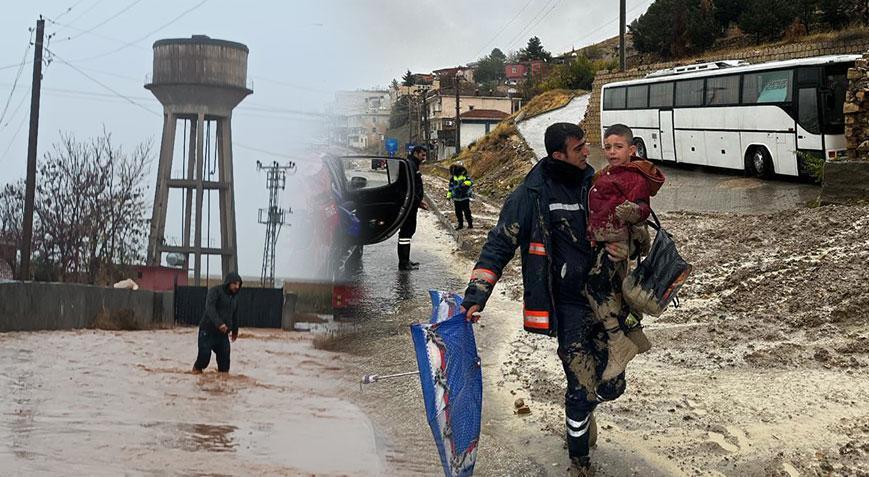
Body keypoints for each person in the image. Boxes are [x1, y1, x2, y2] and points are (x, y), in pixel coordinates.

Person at [460, 123, 632, 475]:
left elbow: (632, 223)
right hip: (567, 307)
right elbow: (499, 243)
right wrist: (477, 294)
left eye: (587, 145)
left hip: (607, 300)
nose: (588, 151)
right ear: (558, 155)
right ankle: (579, 458)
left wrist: (626, 240)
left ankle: (584, 409)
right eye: (579, 147)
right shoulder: (531, 193)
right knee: (579, 385)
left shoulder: (596, 183)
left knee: (613, 385)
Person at [585, 124, 664, 392]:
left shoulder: (634, 177)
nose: (611, 152)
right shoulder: (607, 173)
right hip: (605, 240)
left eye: (618, 147)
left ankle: (618, 340)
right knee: (615, 291)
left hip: (615, 244)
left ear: (632, 149)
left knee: (597, 287)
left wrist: (634, 214)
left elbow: (643, 208)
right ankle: (634, 333)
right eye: (607, 147)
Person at [192, 272, 242, 373]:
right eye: (235, 284)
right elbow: (210, 308)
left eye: (239, 284)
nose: (237, 287)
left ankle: (221, 385)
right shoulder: (215, 291)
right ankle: (196, 371)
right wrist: (220, 324)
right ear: (228, 283)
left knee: (225, 364)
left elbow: (235, 314)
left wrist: (235, 331)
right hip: (207, 331)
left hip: (222, 335)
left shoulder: (235, 298)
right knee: (204, 357)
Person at [397, 145, 429, 271]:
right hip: (409, 205)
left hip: (412, 204)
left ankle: (406, 260)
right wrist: (415, 201)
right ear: (416, 153)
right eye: (423, 155)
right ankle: (403, 263)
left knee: (408, 232)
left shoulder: (412, 165)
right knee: (406, 232)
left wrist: (419, 202)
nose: (424, 158)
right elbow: (409, 187)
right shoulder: (410, 165)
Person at [447, 161, 474, 230]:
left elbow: (471, 182)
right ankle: (460, 224)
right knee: (458, 212)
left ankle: (470, 224)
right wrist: (449, 196)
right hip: (456, 199)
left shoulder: (464, 177)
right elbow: (450, 188)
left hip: (464, 197)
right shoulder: (453, 179)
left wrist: (465, 183)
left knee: (467, 211)